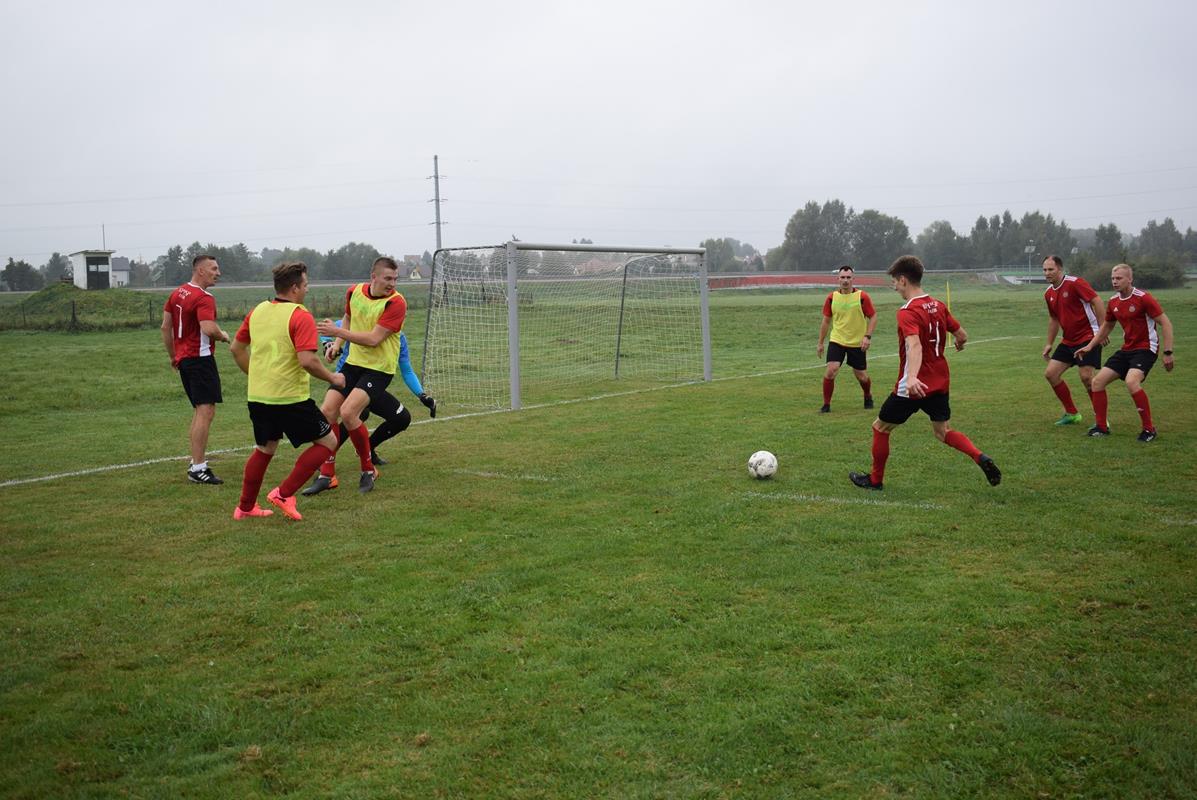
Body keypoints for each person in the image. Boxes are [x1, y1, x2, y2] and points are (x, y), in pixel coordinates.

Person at [849, 255, 1001, 490]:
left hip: (913, 386)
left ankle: (875, 480)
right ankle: (979, 456)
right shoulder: (938, 305)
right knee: (943, 431)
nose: (894, 287)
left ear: (903, 280)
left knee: (880, 427)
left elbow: (914, 345)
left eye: (894, 282)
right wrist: (959, 342)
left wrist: (911, 378)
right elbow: (962, 335)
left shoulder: (907, 311)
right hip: (939, 382)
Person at [227, 261, 346, 521]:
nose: (307, 289)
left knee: (265, 449)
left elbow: (236, 349)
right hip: (289, 398)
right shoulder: (300, 315)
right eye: (305, 285)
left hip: (258, 397)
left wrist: (257, 375)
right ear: (294, 288)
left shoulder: (257, 310)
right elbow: (308, 360)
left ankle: (245, 508)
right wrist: (333, 378)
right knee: (328, 442)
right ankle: (283, 494)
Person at [299, 328, 437, 496]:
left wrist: (422, 395)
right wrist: (330, 344)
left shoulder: (399, 337)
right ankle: (326, 465)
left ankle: (367, 452)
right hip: (347, 378)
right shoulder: (359, 324)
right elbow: (334, 328)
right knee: (341, 412)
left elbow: (406, 370)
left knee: (401, 418)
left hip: (371, 381)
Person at [315, 256, 407, 492]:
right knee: (327, 411)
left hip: (379, 369)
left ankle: (368, 470)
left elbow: (374, 339)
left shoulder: (396, 303)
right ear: (373, 277)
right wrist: (337, 345)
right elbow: (348, 318)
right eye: (388, 278)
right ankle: (327, 475)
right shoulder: (353, 292)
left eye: (395, 279)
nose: (392, 284)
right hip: (353, 364)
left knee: (348, 412)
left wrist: (337, 333)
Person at [1075, 263, 1175, 441]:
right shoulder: (1113, 301)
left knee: (1131, 381)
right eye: (1113, 278)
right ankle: (1101, 427)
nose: (1115, 281)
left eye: (1119, 278)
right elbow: (1107, 326)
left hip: (1146, 348)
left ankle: (1149, 429)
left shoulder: (1143, 298)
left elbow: (1166, 323)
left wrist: (1168, 352)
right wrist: (1090, 346)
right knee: (1097, 382)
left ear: (1130, 279)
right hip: (1127, 349)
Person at [162, 254, 231, 484]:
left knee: (201, 411)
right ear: (200, 270)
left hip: (185, 359)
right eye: (214, 268)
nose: (218, 273)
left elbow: (165, 327)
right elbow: (208, 328)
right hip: (200, 360)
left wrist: (173, 356)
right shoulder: (204, 297)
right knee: (205, 411)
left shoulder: (178, 292)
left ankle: (196, 463)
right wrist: (223, 335)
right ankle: (199, 468)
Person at [1041, 255, 1105, 425]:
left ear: (1060, 269)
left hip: (1088, 336)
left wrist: (1102, 331)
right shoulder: (1048, 293)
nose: (1047, 273)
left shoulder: (1075, 283)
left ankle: (1101, 420)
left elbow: (1097, 301)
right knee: (1051, 374)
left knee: (1086, 377)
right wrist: (1049, 343)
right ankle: (1072, 413)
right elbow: (1054, 319)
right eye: (1045, 270)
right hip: (1068, 340)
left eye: (1051, 269)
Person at [816, 265, 877, 412]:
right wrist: (820, 343)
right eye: (842, 277)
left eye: (848, 277)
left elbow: (873, 317)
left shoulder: (862, 297)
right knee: (831, 370)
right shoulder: (831, 298)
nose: (845, 280)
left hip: (857, 343)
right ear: (838, 279)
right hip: (837, 340)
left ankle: (867, 395)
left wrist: (867, 337)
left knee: (861, 376)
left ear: (853, 279)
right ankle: (826, 405)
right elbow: (826, 321)